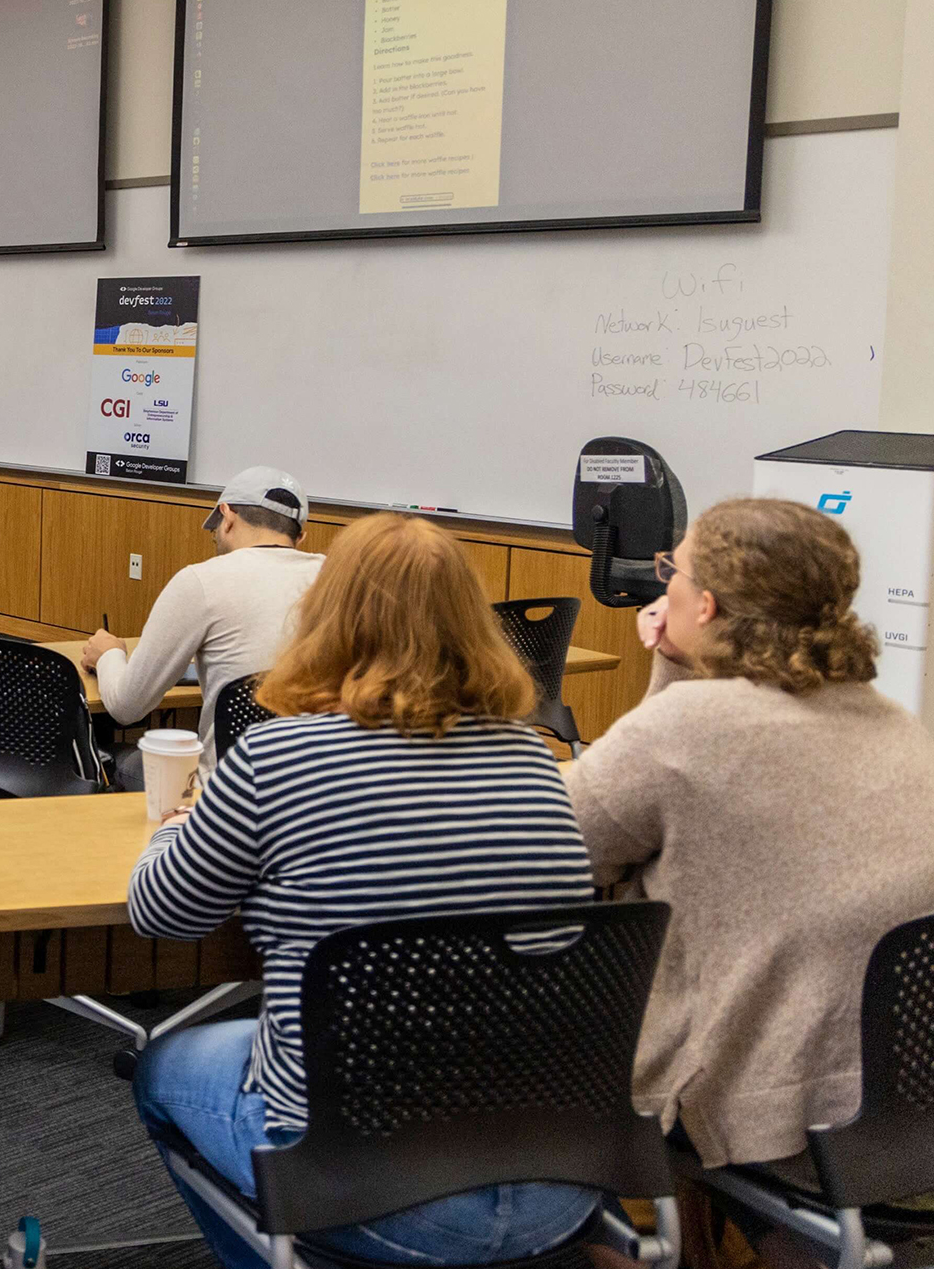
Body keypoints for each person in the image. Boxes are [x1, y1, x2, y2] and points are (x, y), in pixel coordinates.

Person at [126, 513, 601, 1269]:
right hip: (563, 1181)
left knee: (161, 1070)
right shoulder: (532, 757)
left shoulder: (276, 754)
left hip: (368, 1180)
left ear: (325, 616)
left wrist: (174, 831)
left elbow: (160, 911)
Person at [564, 499, 934, 1195]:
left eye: (673, 572)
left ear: (707, 606)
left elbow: (567, 841)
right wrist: (676, 661)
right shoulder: (892, 718)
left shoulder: (689, 727)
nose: (665, 586)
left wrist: (670, 666)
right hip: (915, 1097)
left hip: (767, 1107)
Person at [80, 466, 325, 785]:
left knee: (121, 757)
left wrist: (109, 655)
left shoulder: (201, 581)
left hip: (224, 793)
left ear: (228, 516)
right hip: (320, 789)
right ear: (300, 537)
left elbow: (127, 707)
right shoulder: (338, 578)